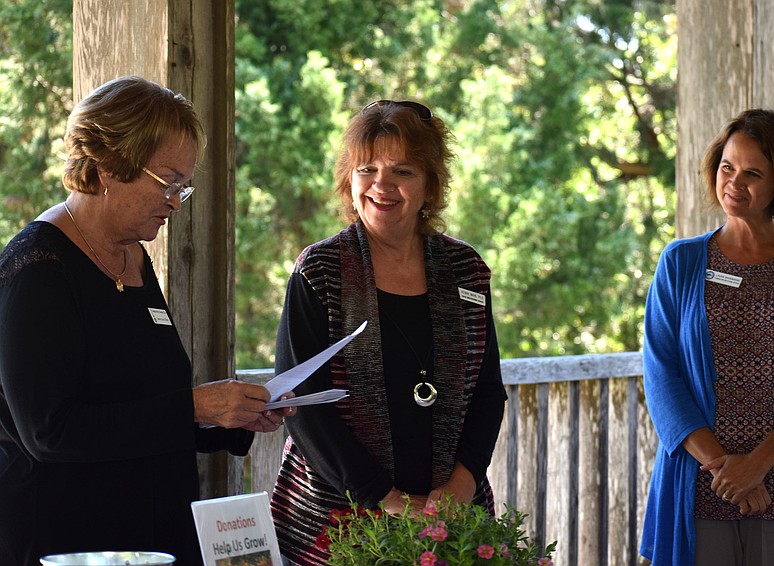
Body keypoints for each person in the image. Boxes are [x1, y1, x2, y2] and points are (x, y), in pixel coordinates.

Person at [0, 76, 292, 565]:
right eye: (168, 182)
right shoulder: (38, 270)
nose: (175, 201)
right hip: (69, 541)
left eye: (183, 187)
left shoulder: (131, 255)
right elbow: (49, 432)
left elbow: (141, 403)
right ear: (109, 166)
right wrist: (194, 408)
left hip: (152, 533)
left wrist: (227, 417)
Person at [269, 99, 507, 565]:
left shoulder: (467, 270)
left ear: (430, 185)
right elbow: (301, 403)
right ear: (349, 179)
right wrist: (386, 498)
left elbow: (487, 391)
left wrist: (460, 487)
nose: (382, 185)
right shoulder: (319, 271)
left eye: (403, 171)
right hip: (336, 525)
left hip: (450, 525)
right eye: (367, 169)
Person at [640, 109, 774, 566]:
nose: (734, 182)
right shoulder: (680, 262)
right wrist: (726, 469)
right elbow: (661, 376)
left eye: (753, 173)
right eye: (727, 166)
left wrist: (757, 465)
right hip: (699, 484)